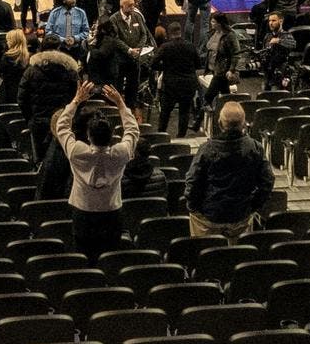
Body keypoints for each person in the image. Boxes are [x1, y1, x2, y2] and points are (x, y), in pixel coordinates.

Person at [54, 80, 141, 257]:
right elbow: (132, 130)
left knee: (85, 255)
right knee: (110, 256)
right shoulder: (121, 152)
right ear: (112, 136)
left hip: (83, 213)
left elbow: (61, 126)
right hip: (112, 212)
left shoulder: (77, 151)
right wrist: (120, 103)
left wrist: (76, 101)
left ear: (88, 135)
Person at [185, 100, 271, 238]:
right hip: (241, 215)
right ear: (244, 124)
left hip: (209, 217)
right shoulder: (255, 148)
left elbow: (192, 181)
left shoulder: (206, 150)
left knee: (205, 255)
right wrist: (253, 206)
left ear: (219, 123)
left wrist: (193, 207)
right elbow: (267, 181)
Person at [151, 21, 203, 137]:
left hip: (171, 85)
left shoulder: (165, 47)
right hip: (188, 84)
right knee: (184, 112)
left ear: (169, 34)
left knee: (165, 112)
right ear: (180, 32)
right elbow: (199, 65)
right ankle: (181, 137)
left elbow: (153, 63)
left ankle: (161, 135)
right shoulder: (190, 45)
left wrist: (165, 67)